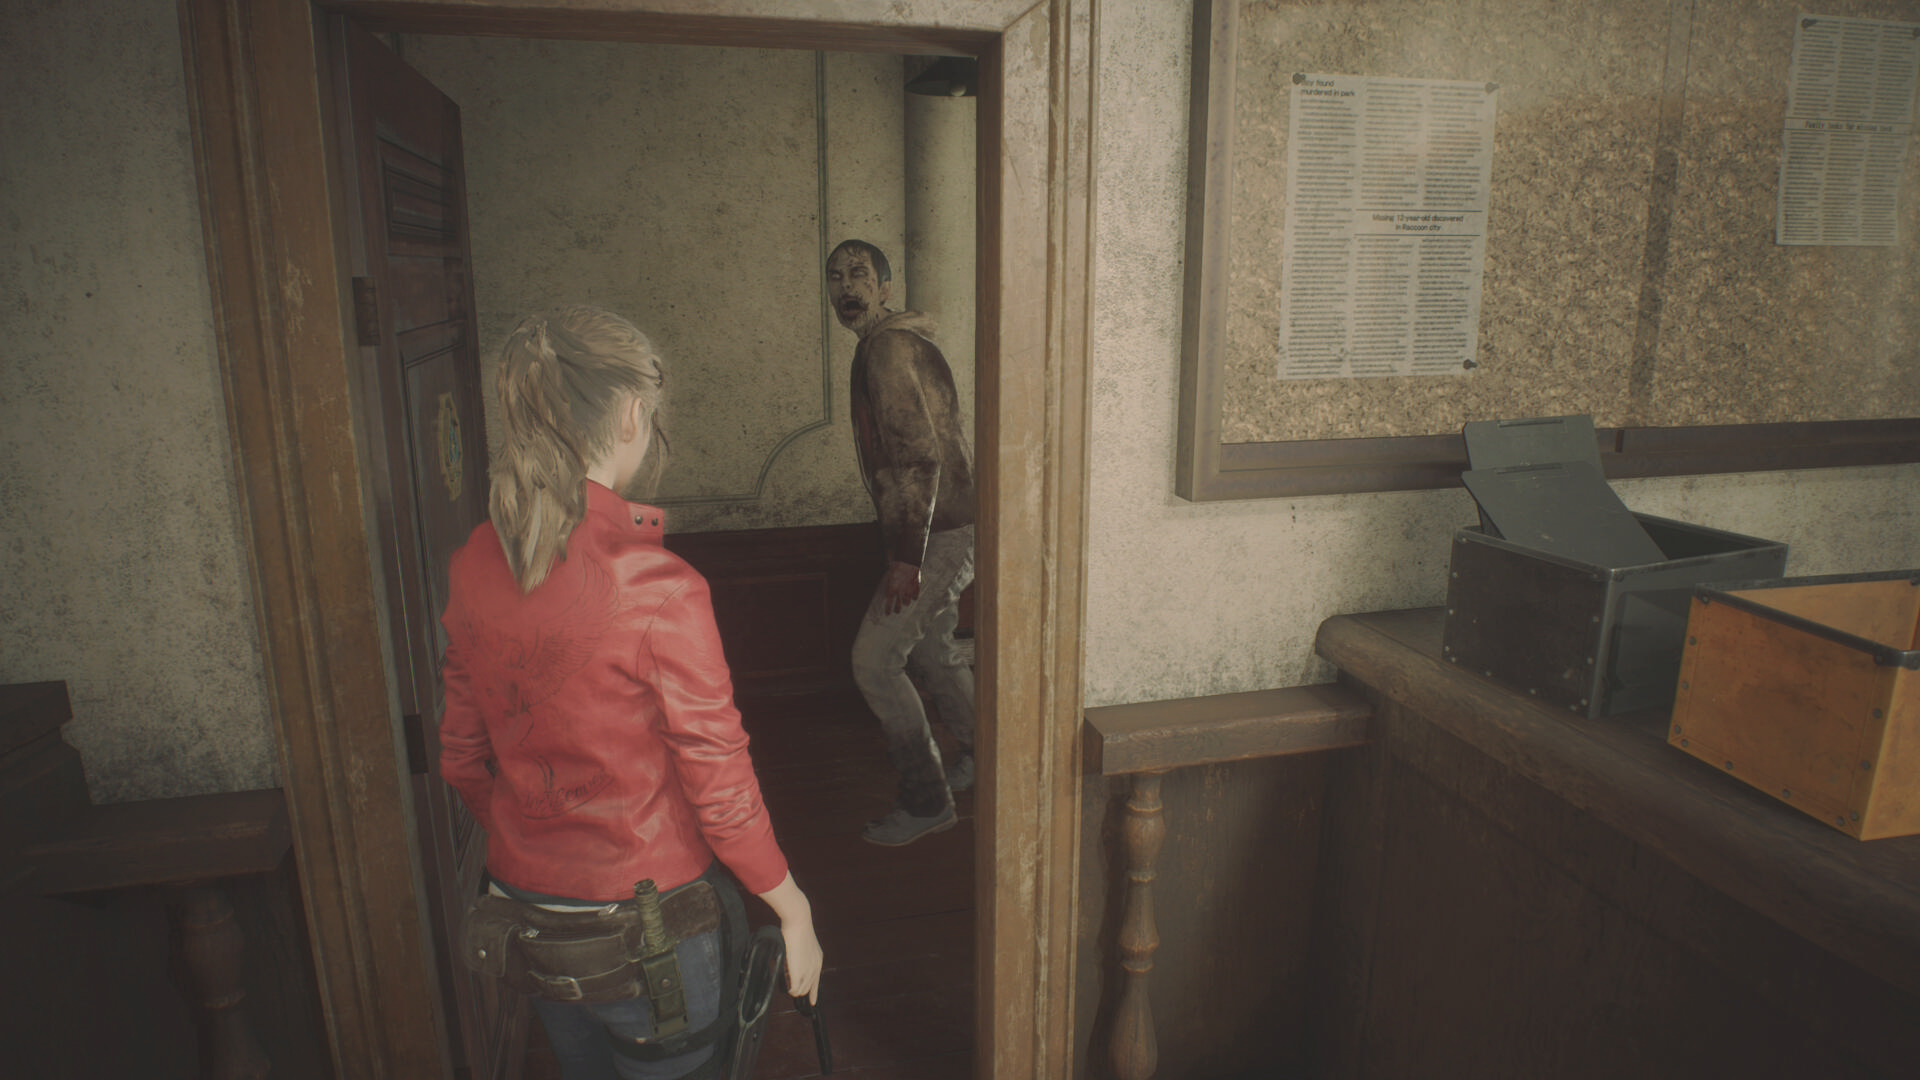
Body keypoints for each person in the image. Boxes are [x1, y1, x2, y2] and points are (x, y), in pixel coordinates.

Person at [438, 306, 822, 1080]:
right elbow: (720, 785)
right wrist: (793, 906)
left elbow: (460, 756)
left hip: (528, 913)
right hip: (651, 927)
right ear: (630, 414)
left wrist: (537, 839)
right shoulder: (658, 585)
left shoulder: (477, 558)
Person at [825, 239, 978, 847]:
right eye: (835, 277)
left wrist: (907, 558)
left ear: (885, 288)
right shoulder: (890, 345)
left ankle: (926, 800)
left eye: (859, 274)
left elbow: (917, 460)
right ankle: (983, 757)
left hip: (939, 534)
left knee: (874, 661)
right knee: (935, 651)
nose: (846, 287)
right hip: (950, 527)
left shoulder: (887, 350)